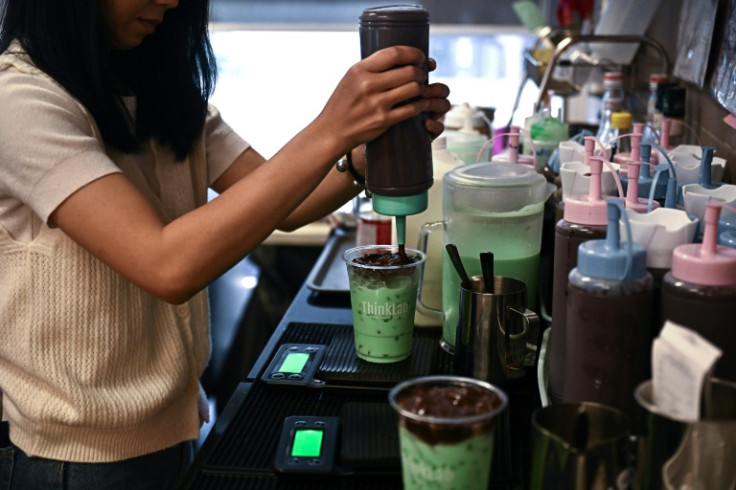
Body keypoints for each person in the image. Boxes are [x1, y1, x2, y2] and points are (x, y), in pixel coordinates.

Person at [0, 0, 451, 488]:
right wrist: (332, 127)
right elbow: (166, 265)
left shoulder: (156, 92)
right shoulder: (20, 102)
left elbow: (288, 205)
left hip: (179, 425)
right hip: (73, 462)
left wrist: (370, 153)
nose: (171, 1)